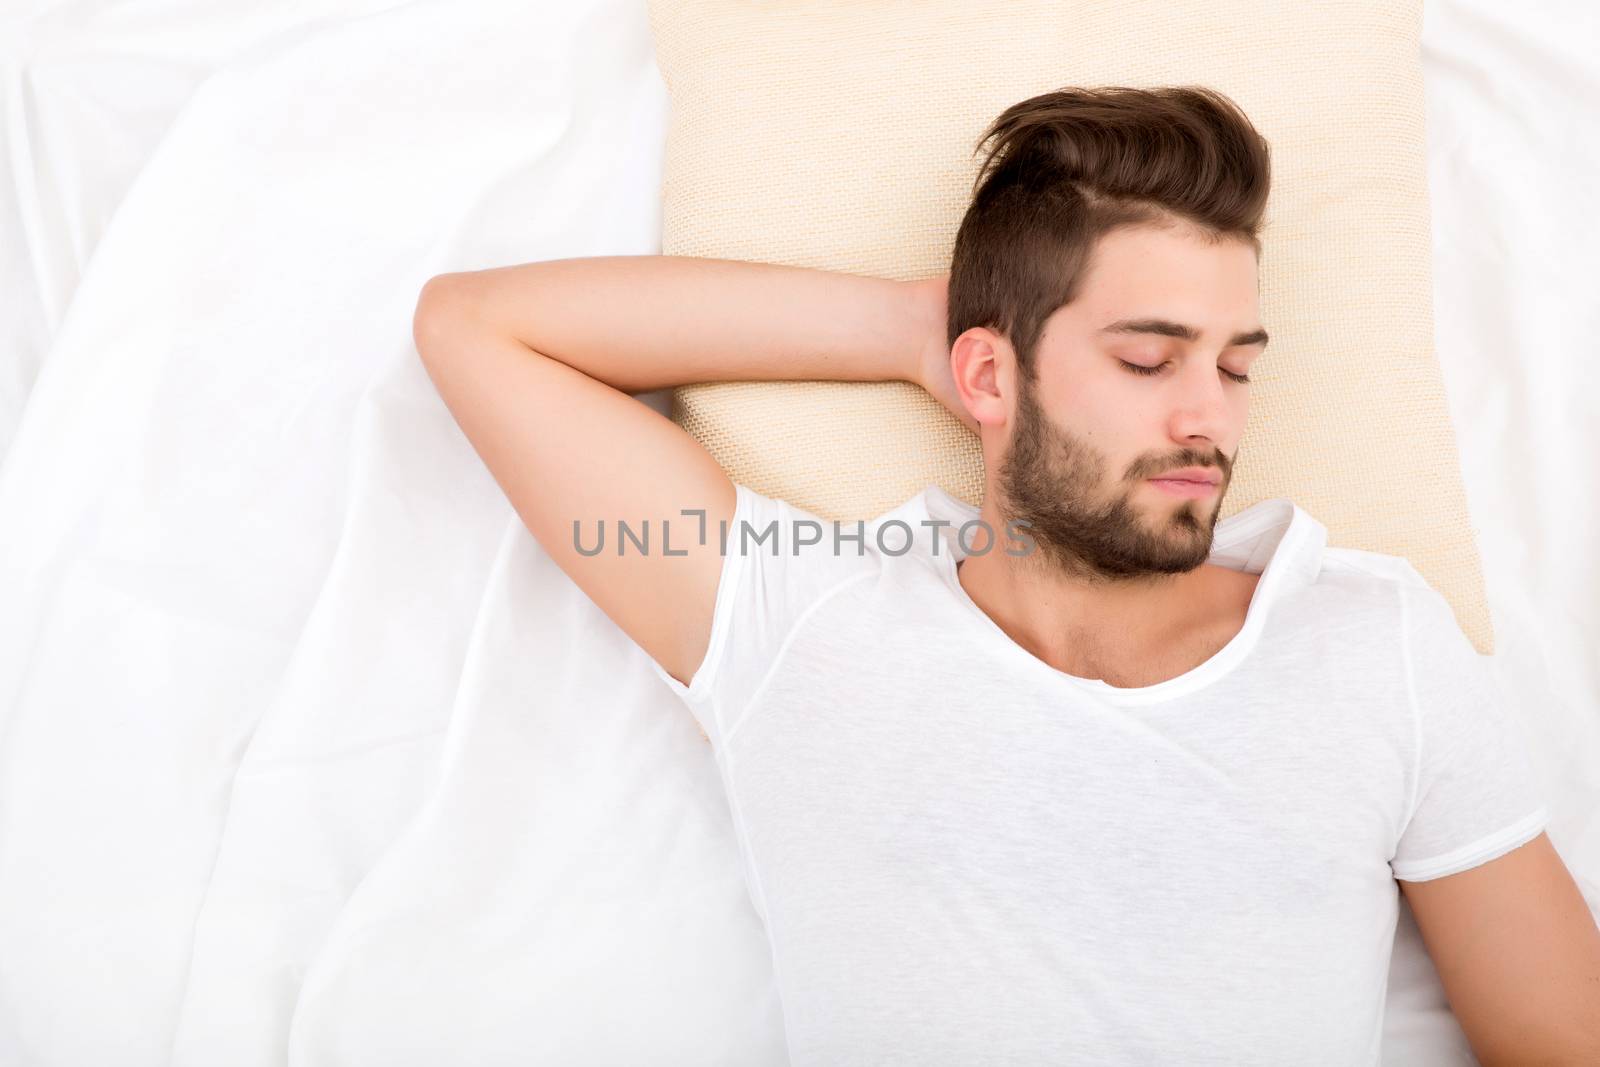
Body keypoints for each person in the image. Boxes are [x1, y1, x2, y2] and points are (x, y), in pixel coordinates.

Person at [411, 86, 1600, 1065]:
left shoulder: (1374, 641)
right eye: (1148, 357)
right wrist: (909, 331)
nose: (1209, 417)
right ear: (986, 378)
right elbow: (478, 331)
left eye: (1237, 367)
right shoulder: (806, 621)